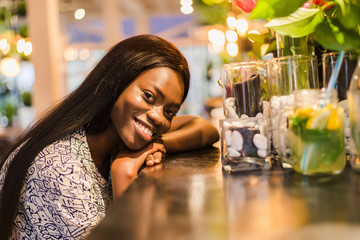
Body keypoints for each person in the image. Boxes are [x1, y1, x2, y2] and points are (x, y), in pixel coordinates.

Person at [0, 34, 219, 239]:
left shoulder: (114, 136)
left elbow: (205, 129)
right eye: (149, 96)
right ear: (117, 82)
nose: (159, 118)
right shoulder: (60, 167)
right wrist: (124, 172)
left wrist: (156, 144)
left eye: (169, 111)